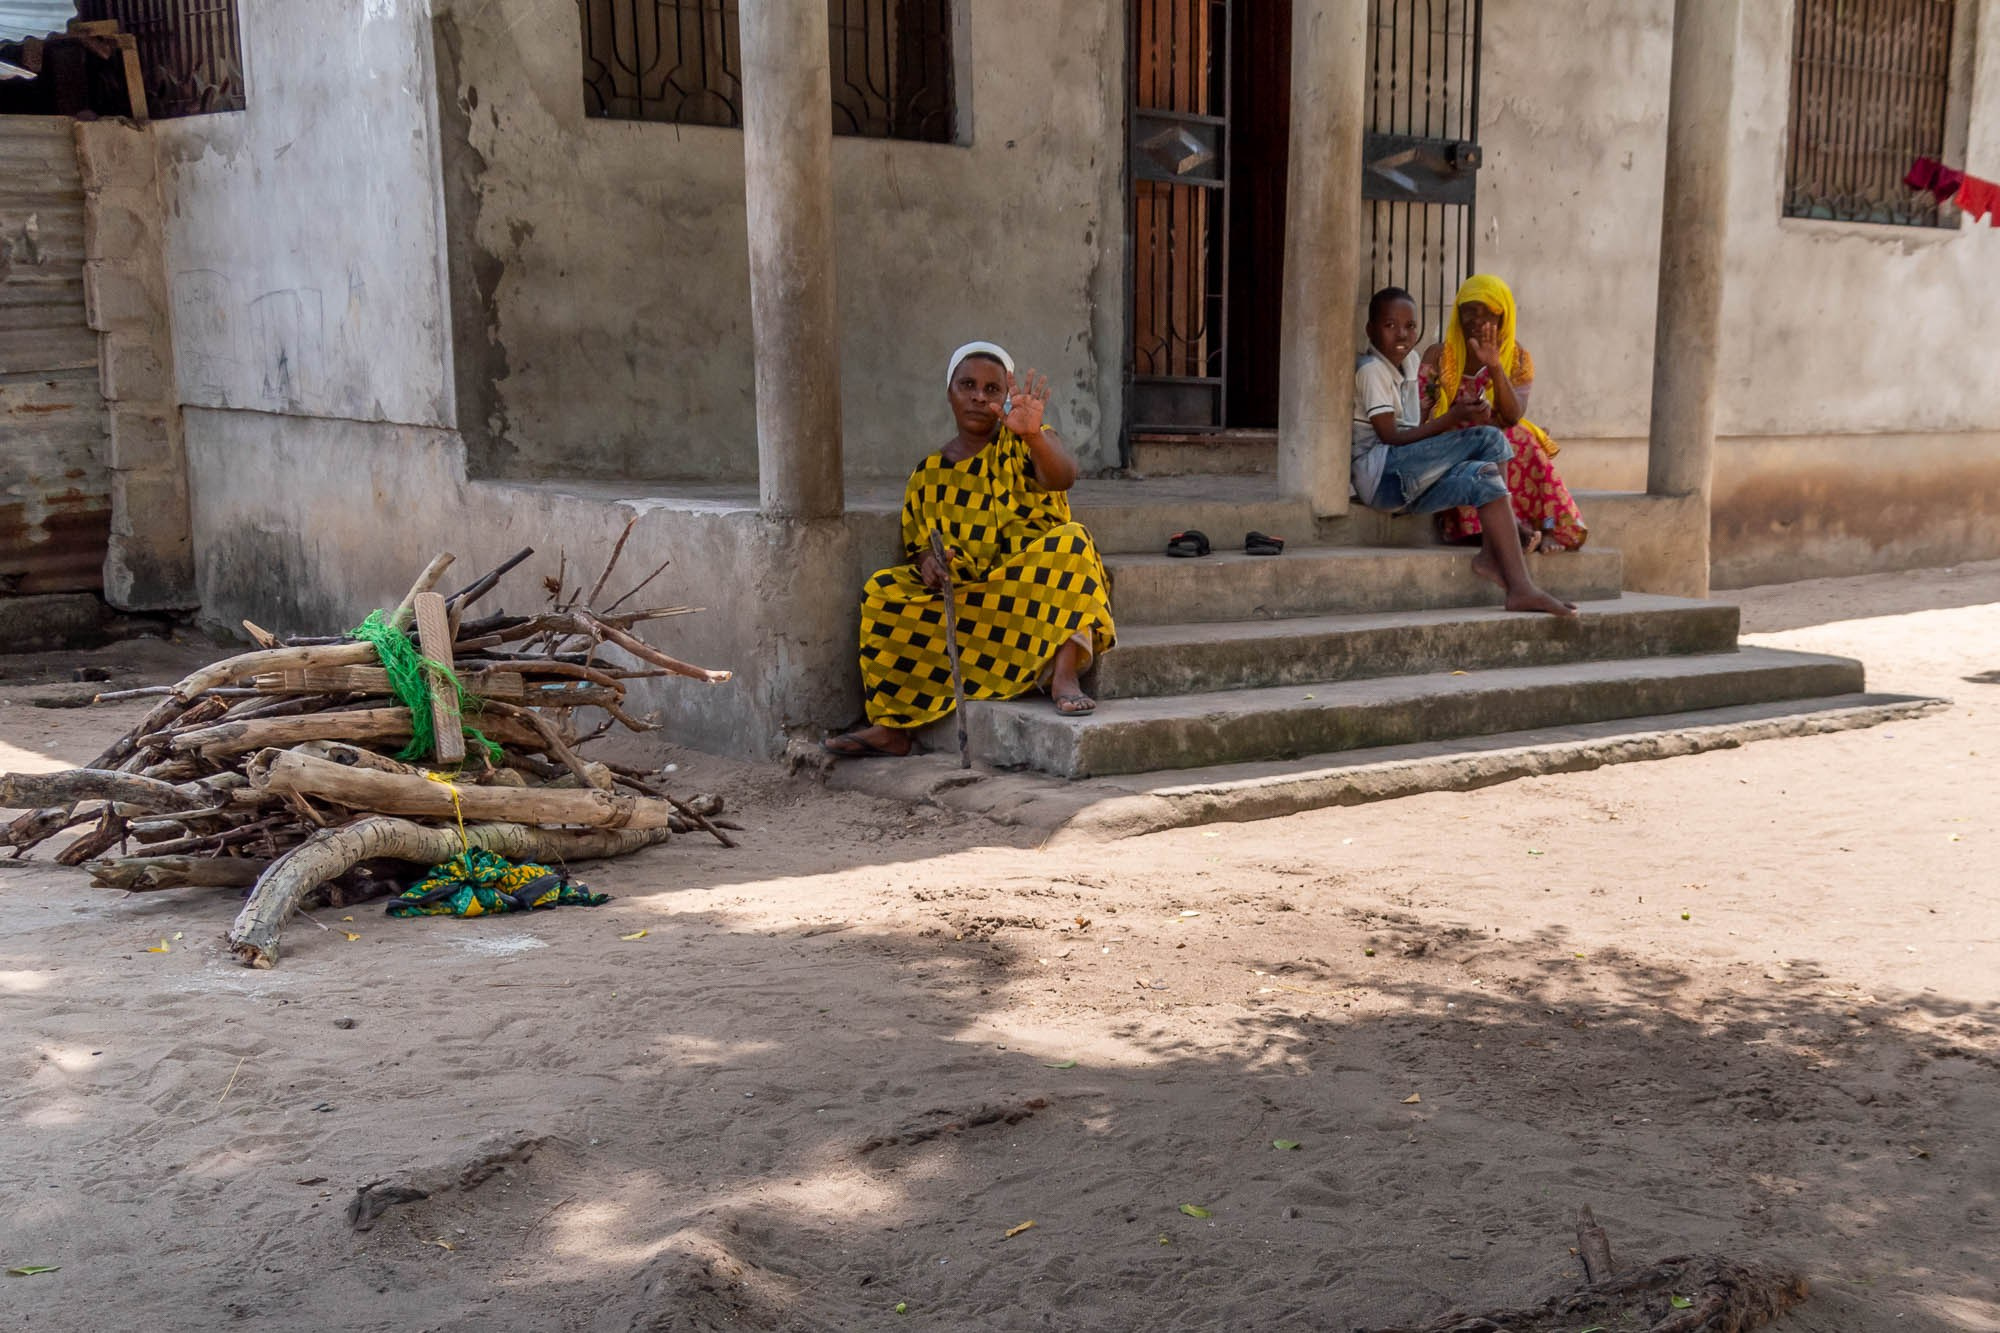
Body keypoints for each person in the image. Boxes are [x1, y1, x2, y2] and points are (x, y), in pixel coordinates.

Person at [824, 341, 1117, 758]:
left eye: (992, 389)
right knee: (882, 591)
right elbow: (918, 544)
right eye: (967, 385)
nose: (979, 396)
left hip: (1029, 590)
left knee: (1072, 544)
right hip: (971, 601)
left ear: (1006, 397)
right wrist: (927, 563)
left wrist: (1033, 434)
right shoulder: (927, 474)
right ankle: (891, 725)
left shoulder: (1023, 440)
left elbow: (1063, 476)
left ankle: (1064, 676)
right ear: (950, 392)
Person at [1354, 287, 1577, 618]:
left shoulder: (1411, 361)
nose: (1402, 335)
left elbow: (1416, 428)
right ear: (1371, 330)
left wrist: (1441, 415)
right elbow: (1389, 437)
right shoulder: (1371, 369)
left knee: (1483, 479)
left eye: (1410, 326)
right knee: (1488, 438)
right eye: (1390, 326)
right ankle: (1502, 560)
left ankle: (1517, 587)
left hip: (1408, 486)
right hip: (1381, 475)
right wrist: (1453, 418)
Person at [1421, 274, 1588, 551]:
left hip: (1499, 435)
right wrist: (1458, 416)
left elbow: (1512, 415)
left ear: (1504, 318)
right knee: (1479, 444)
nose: (1477, 320)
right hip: (1449, 438)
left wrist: (1496, 366)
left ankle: (1545, 528)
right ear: (1458, 316)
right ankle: (1510, 529)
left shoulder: (1518, 357)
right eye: (1469, 311)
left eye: (1489, 313)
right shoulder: (1438, 355)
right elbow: (1421, 413)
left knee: (1521, 438)